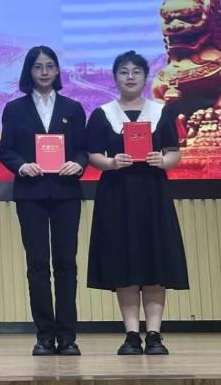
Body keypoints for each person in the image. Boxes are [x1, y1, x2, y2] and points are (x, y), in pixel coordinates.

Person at [86, 51, 188, 355]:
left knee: (154, 260)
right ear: (115, 77)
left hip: (153, 193)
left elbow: (174, 152)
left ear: (145, 77)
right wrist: (111, 162)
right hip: (117, 194)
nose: (130, 77)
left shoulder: (161, 111)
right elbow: (92, 155)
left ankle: (154, 334)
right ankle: (131, 334)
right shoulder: (103, 114)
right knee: (125, 262)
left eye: (136, 72)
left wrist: (163, 161)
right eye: (123, 72)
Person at [0, 45, 87, 356]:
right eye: (38, 67)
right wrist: (22, 166)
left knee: (66, 264)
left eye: (50, 66)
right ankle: (45, 335)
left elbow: (83, 150)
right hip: (31, 194)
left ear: (58, 70)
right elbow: (5, 151)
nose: (45, 72)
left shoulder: (73, 108)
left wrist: (78, 163)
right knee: (37, 265)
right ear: (29, 72)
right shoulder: (14, 109)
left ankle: (68, 336)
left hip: (66, 193)